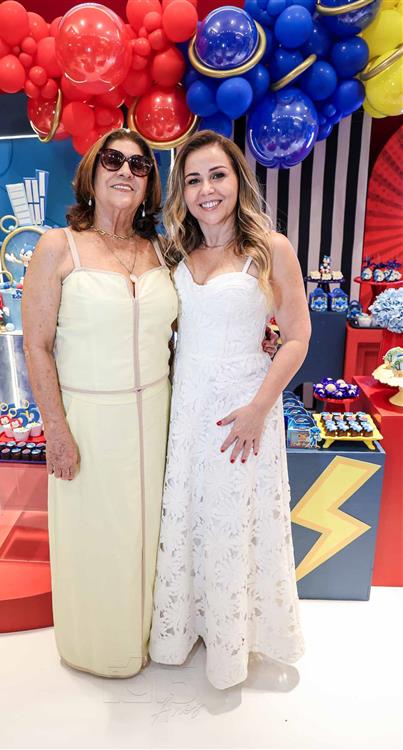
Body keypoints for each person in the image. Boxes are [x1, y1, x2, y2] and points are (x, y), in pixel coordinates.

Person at [23, 128, 277, 679]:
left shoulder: (161, 250)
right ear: (91, 172)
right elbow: (36, 346)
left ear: (149, 185)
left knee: (152, 536)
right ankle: (98, 648)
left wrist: (256, 341)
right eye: (113, 160)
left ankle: (158, 634)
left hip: (162, 417)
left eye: (139, 166)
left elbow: (204, 314)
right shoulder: (57, 247)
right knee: (96, 536)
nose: (125, 171)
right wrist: (56, 431)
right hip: (90, 420)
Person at [149, 130, 311, 690]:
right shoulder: (175, 251)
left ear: (238, 180)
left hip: (242, 414)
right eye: (193, 180)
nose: (206, 189)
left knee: (232, 523)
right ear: (183, 192)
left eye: (217, 175)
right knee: (192, 518)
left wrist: (259, 409)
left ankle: (233, 643)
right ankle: (191, 626)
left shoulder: (270, 249)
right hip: (187, 412)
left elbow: (296, 338)